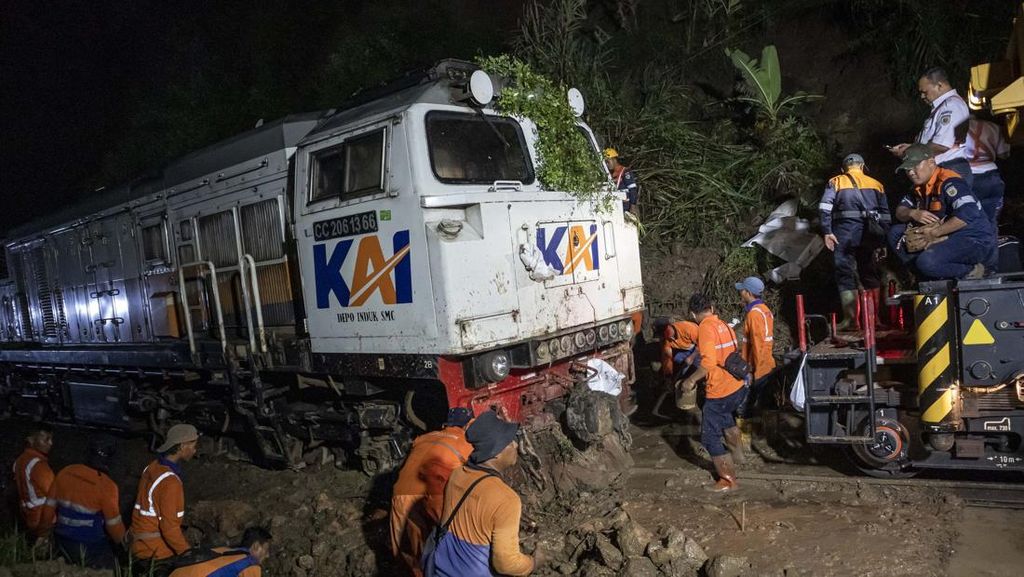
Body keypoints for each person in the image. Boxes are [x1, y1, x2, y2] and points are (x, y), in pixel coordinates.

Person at [429, 411, 538, 577]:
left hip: (443, 568)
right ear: (496, 453)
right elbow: (506, 564)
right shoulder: (506, 499)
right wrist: (534, 562)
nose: (516, 446)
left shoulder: (457, 474)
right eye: (510, 443)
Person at [888, 144, 995, 280]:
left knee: (928, 262)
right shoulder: (918, 188)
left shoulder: (949, 182)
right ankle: (927, 275)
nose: (911, 172)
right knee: (896, 233)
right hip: (945, 237)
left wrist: (934, 233)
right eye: (907, 169)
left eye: (915, 166)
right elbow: (899, 211)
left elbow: (969, 214)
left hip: (972, 238)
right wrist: (913, 213)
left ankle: (972, 270)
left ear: (931, 162)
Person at [391, 408, 474, 577]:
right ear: (468, 425)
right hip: (434, 494)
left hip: (402, 491)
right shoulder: (467, 443)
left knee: (410, 548)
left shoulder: (424, 437)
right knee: (453, 542)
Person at [677, 293, 745, 492]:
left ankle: (727, 480)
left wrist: (690, 380)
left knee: (709, 437)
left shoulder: (705, 328)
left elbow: (707, 363)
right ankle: (739, 458)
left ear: (692, 313)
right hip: (736, 385)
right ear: (712, 308)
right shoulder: (723, 324)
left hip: (720, 390)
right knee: (727, 421)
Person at [819, 153, 890, 329]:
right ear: (863, 166)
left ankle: (851, 321)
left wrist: (827, 231)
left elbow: (824, 207)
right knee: (870, 272)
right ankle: (874, 320)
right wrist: (882, 241)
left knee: (845, 273)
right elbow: (885, 216)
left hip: (844, 232)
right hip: (869, 234)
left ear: (844, 168)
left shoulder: (836, 181)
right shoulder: (876, 184)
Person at [38, 437, 126, 569]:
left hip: (61, 541)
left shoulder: (66, 472)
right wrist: (125, 547)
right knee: (115, 568)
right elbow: (114, 527)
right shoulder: (107, 485)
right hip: (90, 546)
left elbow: (49, 508)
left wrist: (43, 534)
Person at [890, 67, 972, 185]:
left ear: (939, 86)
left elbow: (941, 144)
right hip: (943, 168)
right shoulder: (943, 107)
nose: (922, 96)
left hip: (950, 168)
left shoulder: (951, 106)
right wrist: (911, 146)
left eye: (924, 92)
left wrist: (909, 151)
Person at [131, 424, 200, 563]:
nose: (195, 450)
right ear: (182, 446)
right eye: (193, 445)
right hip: (155, 552)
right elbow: (169, 529)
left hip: (137, 543)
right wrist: (187, 554)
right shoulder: (170, 482)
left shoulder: (153, 467)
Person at [735, 277, 776, 418]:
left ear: (748, 293)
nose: (740, 293)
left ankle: (745, 436)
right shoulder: (765, 310)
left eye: (742, 290)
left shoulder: (754, 314)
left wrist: (752, 370)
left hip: (759, 366)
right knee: (764, 404)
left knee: (744, 408)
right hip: (766, 363)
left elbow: (757, 344)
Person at [168, 527, 272, 577]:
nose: (267, 555)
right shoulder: (250, 563)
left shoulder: (224, 551)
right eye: (266, 550)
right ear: (256, 546)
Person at [965, 116, 1010, 227]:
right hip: (991, 174)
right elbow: (1004, 154)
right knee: (992, 218)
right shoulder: (994, 127)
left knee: (970, 219)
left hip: (969, 175)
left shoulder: (956, 128)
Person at [12, 424, 55, 539]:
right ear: (31, 440)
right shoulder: (38, 465)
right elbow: (54, 492)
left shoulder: (19, 461)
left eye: (51, 439)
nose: (50, 443)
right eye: (46, 439)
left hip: (29, 516)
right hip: (44, 518)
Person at [603, 148, 639, 214]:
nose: (607, 165)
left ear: (614, 159)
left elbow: (632, 189)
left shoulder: (625, 172)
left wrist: (633, 205)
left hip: (626, 207)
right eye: (605, 163)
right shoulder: (610, 175)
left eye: (608, 162)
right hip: (617, 207)